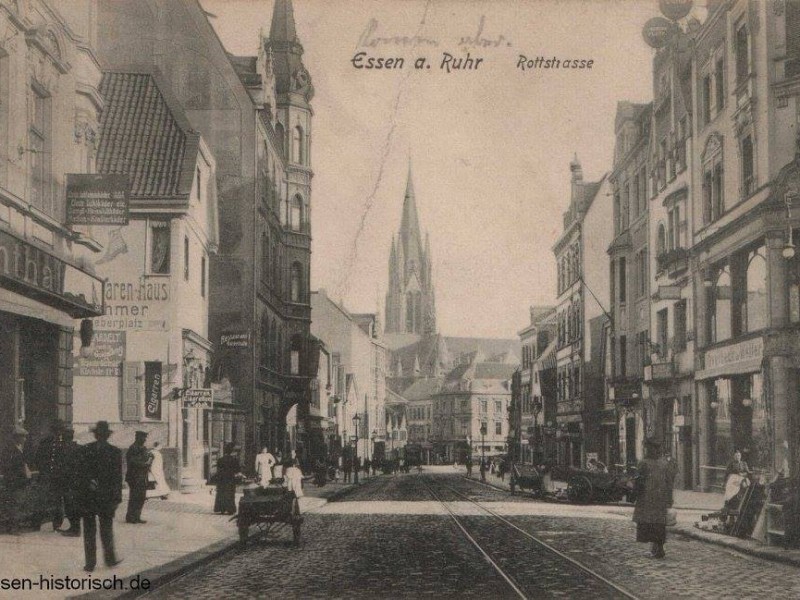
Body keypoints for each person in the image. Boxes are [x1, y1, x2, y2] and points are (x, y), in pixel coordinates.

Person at [76, 421, 122, 572]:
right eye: (101, 435)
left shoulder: (90, 450)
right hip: (97, 496)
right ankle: (103, 561)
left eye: (103, 435)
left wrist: (116, 497)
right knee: (100, 529)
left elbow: (117, 477)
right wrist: (88, 482)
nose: (101, 437)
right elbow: (81, 471)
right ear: (100, 435)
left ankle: (96, 562)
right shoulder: (111, 451)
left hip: (98, 497)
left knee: (97, 530)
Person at [633, 438, 676, 559]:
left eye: (647, 448)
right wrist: (669, 498)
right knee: (659, 524)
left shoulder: (644, 463)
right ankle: (658, 549)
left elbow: (638, 482)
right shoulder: (665, 464)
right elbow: (669, 483)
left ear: (650, 449)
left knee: (649, 524)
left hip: (647, 499)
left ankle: (656, 550)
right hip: (660, 499)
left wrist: (634, 494)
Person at [34, 419, 67, 532]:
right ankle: (37, 523)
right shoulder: (45, 442)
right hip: (45, 476)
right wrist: (44, 469)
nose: (57, 433)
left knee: (57, 500)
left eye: (59, 430)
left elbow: (65, 461)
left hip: (58, 478)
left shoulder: (64, 443)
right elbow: (38, 458)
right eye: (56, 430)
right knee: (42, 499)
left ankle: (56, 524)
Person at [0, 425, 32, 534]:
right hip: (14, 481)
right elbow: (8, 466)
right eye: (23, 437)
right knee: (15, 504)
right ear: (17, 437)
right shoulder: (10, 450)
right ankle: (13, 528)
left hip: (18, 481)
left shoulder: (18, 448)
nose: (25, 439)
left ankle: (13, 526)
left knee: (16, 504)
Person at [56, 428, 82, 536]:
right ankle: (74, 528)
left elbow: (61, 466)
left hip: (68, 481)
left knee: (69, 505)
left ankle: (75, 529)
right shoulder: (78, 448)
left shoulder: (64, 448)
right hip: (76, 481)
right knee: (73, 504)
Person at [125, 431, 152, 524]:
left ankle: (137, 517)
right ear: (137, 438)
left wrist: (150, 458)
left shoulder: (143, 448)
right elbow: (132, 462)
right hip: (134, 477)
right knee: (134, 497)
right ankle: (130, 517)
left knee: (141, 497)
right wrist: (145, 464)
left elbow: (147, 458)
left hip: (142, 476)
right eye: (143, 438)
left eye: (145, 438)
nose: (144, 440)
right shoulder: (133, 448)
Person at [213, 443, 240, 515]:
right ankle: (230, 509)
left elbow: (218, 469)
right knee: (230, 493)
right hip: (230, 479)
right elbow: (237, 470)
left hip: (222, 479)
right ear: (232, 451)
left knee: (222, 493)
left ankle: (222, 509)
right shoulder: (234, 460)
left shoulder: (220, 459)